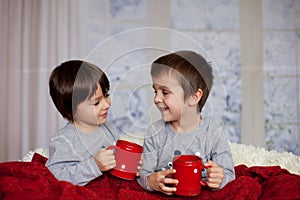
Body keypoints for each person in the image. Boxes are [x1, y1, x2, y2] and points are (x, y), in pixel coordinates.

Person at [137, 50, 235, 195]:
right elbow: (143, 174)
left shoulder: (212, 132)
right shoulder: (155, 132)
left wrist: (219, 178)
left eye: (164, 92)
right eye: (155, 91)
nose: (156, 99)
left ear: (194, 97)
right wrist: (151, 182)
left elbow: (229, 174)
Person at [46, 60, 141, 186]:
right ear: (71, 110)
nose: (106, 105)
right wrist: (94, 165)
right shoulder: (64, 140)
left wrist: (132, 165)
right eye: (96, 102)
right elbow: (54, 176)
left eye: (106, 95)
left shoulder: (109, 128)